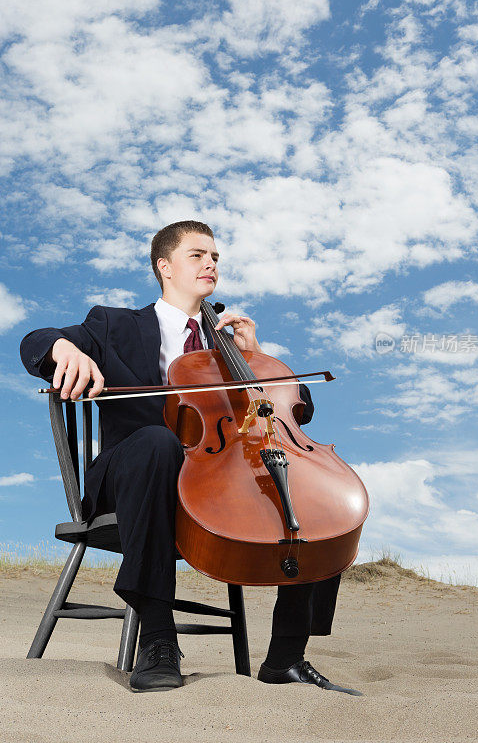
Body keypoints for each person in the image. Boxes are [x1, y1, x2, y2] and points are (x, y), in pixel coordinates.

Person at [20, 220, 361, 696]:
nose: (211, 264)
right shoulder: (114, 323)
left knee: (302, 487)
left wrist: (258, 359)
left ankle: (287, 656)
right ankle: (158, 638)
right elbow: (34, 340)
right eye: (198, 255)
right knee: (158, 443)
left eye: (216, 257)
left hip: (213, 481)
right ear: (165, 266)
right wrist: (61, 348)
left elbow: (297, 404)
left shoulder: (225, 344)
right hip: (133, 473)